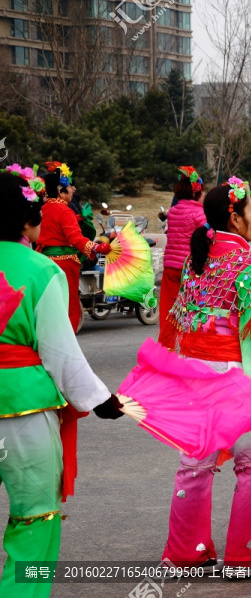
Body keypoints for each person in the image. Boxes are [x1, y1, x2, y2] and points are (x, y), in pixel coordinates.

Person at [0, 167, 123, 598]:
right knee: (34, 517)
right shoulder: (40, 271)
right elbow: (60, 354)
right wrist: (101, 399)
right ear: (26, 222)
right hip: (23, 412)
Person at [166, 178, 251, 569]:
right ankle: (247, 554)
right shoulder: (249, 265)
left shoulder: (195, 261)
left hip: (193, 373)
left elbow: (184, 321)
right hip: (230, 376)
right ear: (236, 219)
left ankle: (186, 553)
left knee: (195, 464)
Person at [36, 162, 111, 331]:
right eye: (69, 186)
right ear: (60, 191)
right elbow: (75, 238)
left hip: (45, 262)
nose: (73, 189)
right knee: (69, 306)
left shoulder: (44, 208)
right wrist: (96, 248)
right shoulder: (64, 211)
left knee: (51, 306)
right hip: (64, 265)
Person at [159, 166, 206, 349]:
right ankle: (191, 348)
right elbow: (208, 236)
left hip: (170, 266)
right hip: (189, 268)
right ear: (197, 193)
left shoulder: (173, 211)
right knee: (193, 310)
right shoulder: (199, 213)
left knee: (168, 310)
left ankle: (166, 348)